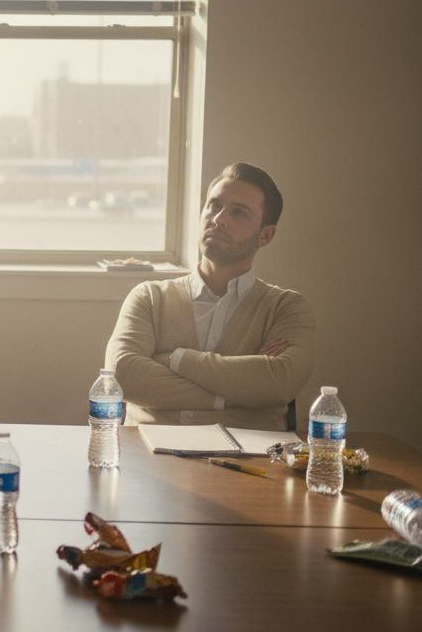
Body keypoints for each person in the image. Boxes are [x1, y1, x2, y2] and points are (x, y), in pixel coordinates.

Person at [105, 162, 315, 432]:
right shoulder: (149, 297)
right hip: (148, 451)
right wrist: (238, 395)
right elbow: (122, 375)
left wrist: (175, 359)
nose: (218, 219)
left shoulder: (286, 308)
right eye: (214, 206)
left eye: (238, 212)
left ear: (265, 235)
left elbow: (279, 384)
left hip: (252, 455)